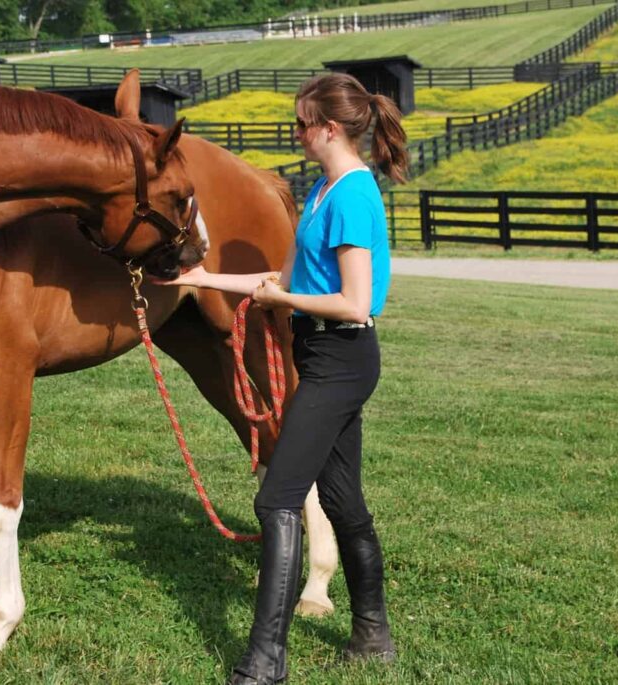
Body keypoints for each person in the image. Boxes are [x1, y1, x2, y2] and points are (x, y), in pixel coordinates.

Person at [158, 72, 408, 684]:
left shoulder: (351, 195)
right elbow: (284, 284)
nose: (295, 133)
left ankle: (266, 661)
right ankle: (373, 635)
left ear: (327, 128)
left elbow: (355, 304)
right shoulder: (324, 191)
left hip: (341, 360)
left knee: (276, 498)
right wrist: (198, 281)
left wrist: (288, 304)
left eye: (300, 123)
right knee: (344, 501)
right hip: (325, 357)